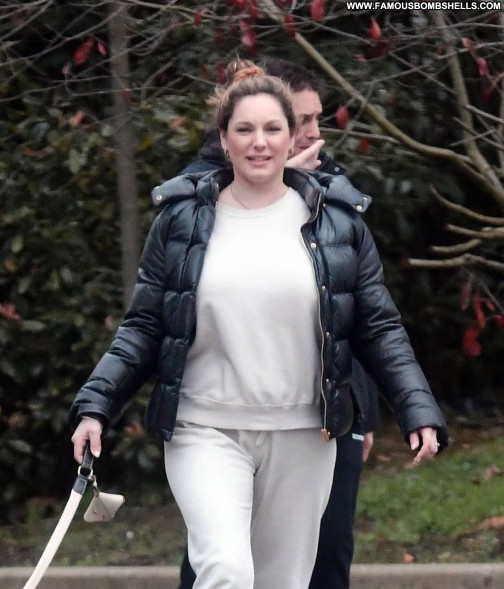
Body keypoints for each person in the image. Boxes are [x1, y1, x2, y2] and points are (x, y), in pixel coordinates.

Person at [69, 59, 448, 589]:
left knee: (282, 582)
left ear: (292, 137)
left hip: (304, 434)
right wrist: (96, 405)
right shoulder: (181, 221)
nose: (259, 142)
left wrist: (416, 409)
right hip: (204, 428)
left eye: (273, 129)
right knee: (225, 569)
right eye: (244, 129)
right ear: (224, 139)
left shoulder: (336, 222)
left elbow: (378, 328)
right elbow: (143, 326)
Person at [176, 58, 379, 589]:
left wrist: (364, 412)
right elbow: (150, 317)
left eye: (312, 120)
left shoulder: (335, 196)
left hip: (319, 415)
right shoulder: (195, 200)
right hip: (214, 417)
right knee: (222, 562)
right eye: (300, 119)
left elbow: (358, 313)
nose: (311, 132)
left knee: (320, 558)